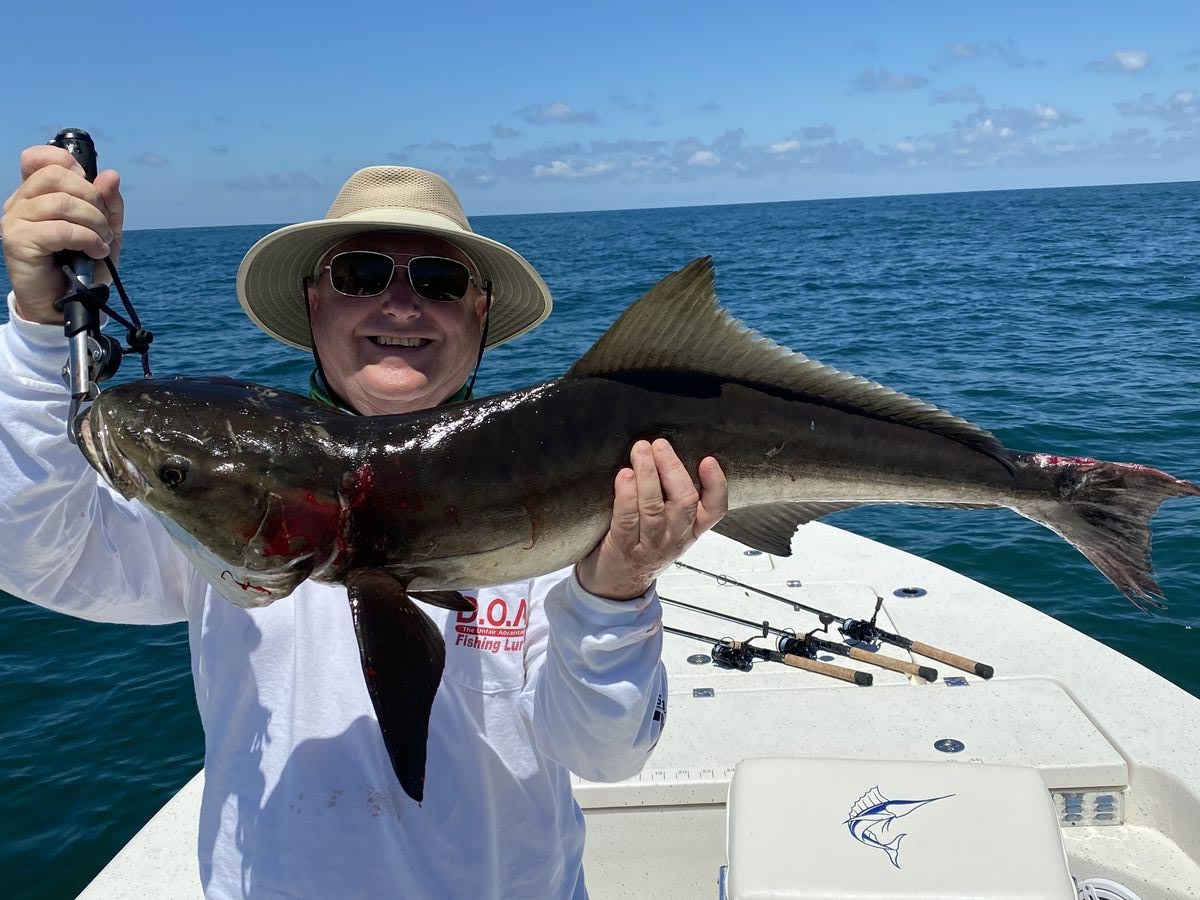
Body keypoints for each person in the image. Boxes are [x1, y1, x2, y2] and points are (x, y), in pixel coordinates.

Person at [0, 146, 727, 899]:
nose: (401, 305)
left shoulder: (569, 487)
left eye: (440, 282)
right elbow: (37, 554)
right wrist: (35, 328)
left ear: (480, 312)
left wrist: (616, 590)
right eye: (360, 275)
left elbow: (605, 754)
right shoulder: (219, 506)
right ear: (316, 301)